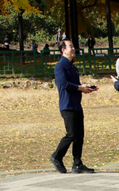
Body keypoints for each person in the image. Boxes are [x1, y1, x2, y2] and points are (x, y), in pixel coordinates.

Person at [49, 39, 96, 174]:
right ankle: (56, 156)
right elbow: (63, 85)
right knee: (71, 134)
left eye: (73, 46)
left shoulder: (72, 67)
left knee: (79, 135)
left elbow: (76, 86)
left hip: (76, 105)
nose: (73, 48)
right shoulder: (60, 66)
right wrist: (80, 87)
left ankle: (77, 163)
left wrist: (86, 87)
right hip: (67, 105)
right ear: (63, 50)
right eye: (71, 46)